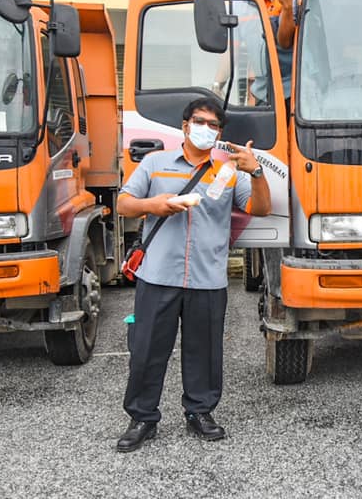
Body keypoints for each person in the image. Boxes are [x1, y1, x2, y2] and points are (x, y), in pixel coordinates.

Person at [115, 98, 271, 453]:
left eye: (214, 125)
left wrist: (256, 171)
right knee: (147, 350)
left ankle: (200, 413)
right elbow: (124, 203)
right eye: (200, 121)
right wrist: (153, 205)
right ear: (185, 126)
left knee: (205, 352)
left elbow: (260, 208)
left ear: (219, 133)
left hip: (207, 278)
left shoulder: (228, 172)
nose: (206, 129)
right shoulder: (155, 163)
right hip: (158, 276)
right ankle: (142, 418)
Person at [242, 0, 295, 113]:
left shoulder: (287, 0)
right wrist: (217, 86)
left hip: (289, 90)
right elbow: (231, 51)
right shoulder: (239, 6)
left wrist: (286, 7)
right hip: (261, 91)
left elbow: (285, 42)